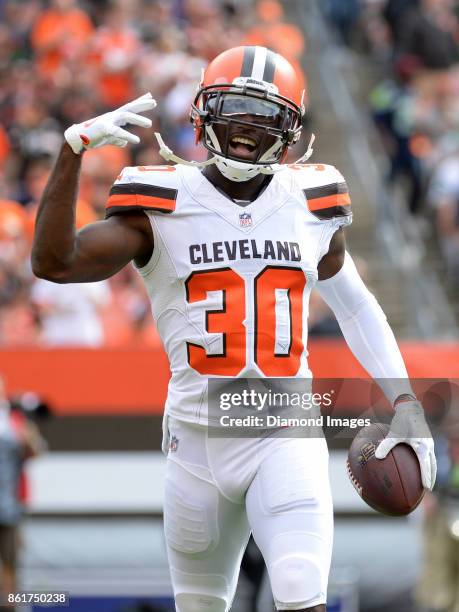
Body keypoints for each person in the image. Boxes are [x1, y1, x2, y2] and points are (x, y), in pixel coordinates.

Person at [31, 45, 437, 612]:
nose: (245, 129)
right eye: (233, 109)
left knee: (300, 591)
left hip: (283, 432)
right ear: (202, 112)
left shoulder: (311, 200)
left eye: (263, 115)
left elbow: (357, 307)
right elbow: (55, 262)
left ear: (291, 128)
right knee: (200, 605)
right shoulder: (161, 201)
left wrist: (405, 401)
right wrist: (71, 153)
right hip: (192, 445)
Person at [0, 377, 46, 609]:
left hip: (8, 506)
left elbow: (35, 450)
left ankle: (10, 606)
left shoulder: (13, 420)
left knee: (11, 563)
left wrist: (27, 428)